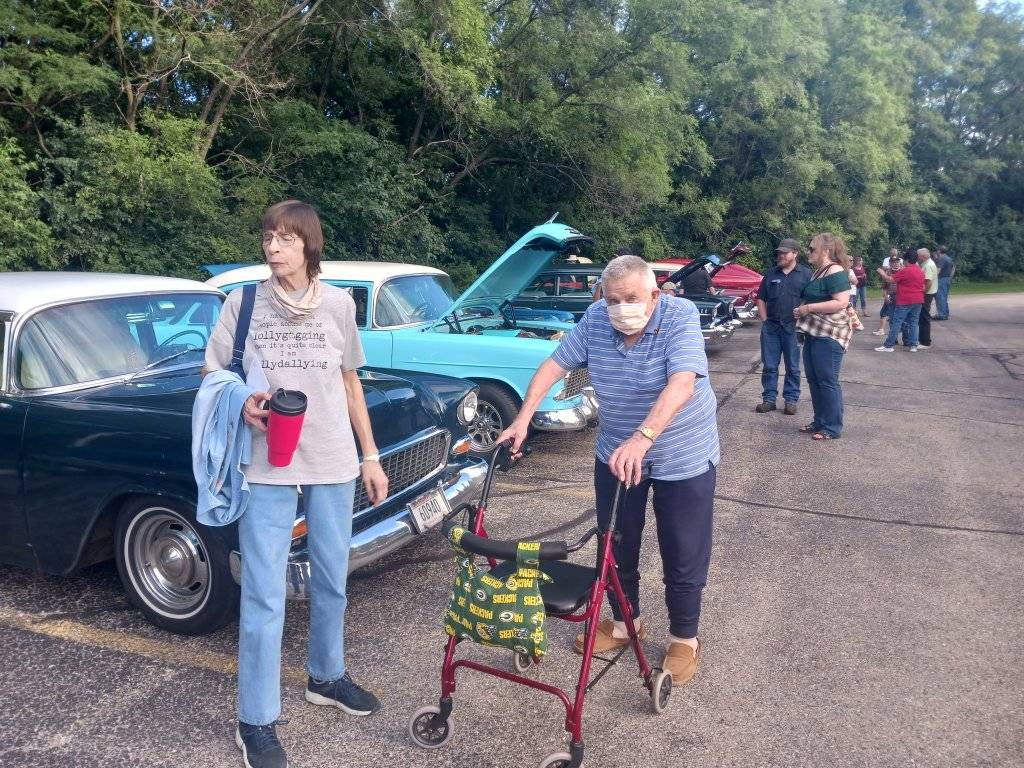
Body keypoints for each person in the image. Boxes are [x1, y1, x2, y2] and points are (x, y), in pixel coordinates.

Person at [204, 200, 389, 768]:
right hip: (267, 464)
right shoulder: (243, 302)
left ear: (310, 244)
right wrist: (244, 400)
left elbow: (350, 383)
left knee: (333, 578)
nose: (273, 247)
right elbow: (213, 372)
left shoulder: (339, 304)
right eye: (268, 236)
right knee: (264, 593)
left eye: (285, 238)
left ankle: (326, 676)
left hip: (332, 458)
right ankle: (256, 720)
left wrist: (371, 456)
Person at [497, 255, 719, 686]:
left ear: (654, 295)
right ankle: (624, 623)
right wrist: (522, 419)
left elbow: (683, 383)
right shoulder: (597, 318)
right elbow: (553, 366)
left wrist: (643, 437)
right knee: (615, 541)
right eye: (613, 299)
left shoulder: (679, 315)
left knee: (683, 546)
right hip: (618, 452)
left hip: (682, 452)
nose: (621, 308)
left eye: (631, 298)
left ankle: (684, 638)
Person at [792, 233, 853, 441]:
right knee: (814, 380)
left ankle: (832, 427)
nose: (808, 252)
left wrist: (808, 308)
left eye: (812, 249)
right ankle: (819, 421)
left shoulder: (835, 270)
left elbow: (841, 302)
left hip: (830, 334)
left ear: (825, 251)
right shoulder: (819, 271)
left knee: (827, 381)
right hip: (814, 332)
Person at [755, 238, 811, 416]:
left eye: (785, 253)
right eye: (779, 253)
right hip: (771, 327)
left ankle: (791, 400)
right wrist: (764, 320)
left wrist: (804, 313)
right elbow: (761, 298)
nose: (780, 255)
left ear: (795, 253)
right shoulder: (771, 273)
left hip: (793, 328)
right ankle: (769, 400)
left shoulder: (806, 274)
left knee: (793, 366)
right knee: (770, 365)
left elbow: (810, 299)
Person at [874, 249, 925, 354]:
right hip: (918, 300)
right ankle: (913, 345)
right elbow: (923, 286)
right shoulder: (920, 270)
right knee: (914, 323)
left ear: (907, 260)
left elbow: (890, 279)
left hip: (905, 301)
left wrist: (882, 273)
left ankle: (888, 345)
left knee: (896, 322)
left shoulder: (905, 271)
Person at [872, 253, 902, 337]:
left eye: (897, 262)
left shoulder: (903, 271)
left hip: (901, 297)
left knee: (899, 316)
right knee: (888, 315)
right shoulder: (888, 272)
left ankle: (900, 332)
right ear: (890, 263)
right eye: (894, 262)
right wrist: (885, 296)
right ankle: (893, 336)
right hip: (891, 296)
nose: (896, 264)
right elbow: (885, 286)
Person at [916, 247, 937, 349]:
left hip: (926, 293)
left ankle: (925, 342)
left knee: (924, 317)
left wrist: (922, 292)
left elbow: (928, 282)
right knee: (923, 316)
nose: (917, 257)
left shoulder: (927, 265)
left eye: (918, 256)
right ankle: (922, 340)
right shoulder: (928, 263)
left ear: (923, 257)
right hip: (929, 292)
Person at [934, 246, 955, 320]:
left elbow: (938, 270)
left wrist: (933, 278)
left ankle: (941, 315)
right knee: (944, 297)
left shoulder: (941, 259)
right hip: (947, 279)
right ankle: (945, 313)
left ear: (939, 251)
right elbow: (953, 269)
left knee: (940, 297)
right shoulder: (949, 259)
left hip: (942, 279)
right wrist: (950, 277)